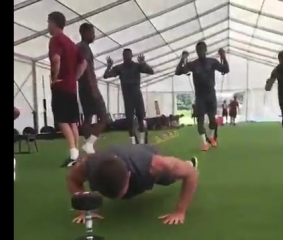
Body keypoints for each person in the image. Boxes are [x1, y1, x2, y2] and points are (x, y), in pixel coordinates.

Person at [67, 144, 199, 225]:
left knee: (169, 179)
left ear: (129, 176)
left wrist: (180, 211)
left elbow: (192, 175)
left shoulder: (155, 165)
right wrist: (84, 210)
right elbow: (73, 180)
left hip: (144, 155)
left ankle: (187, 163)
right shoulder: (88, 165)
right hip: (120, 156)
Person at [48, 12, 87, 167]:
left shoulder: (55, 40)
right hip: (71, 87)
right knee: (72, 122)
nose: (48, 26)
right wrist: (75, 77)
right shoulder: (71, 43)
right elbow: (83, 63)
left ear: (53, 23)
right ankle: (75, 154)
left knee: (62, 120)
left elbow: (56, 59)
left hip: (61, 86)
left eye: (48, 22)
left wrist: (54, 78)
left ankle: (73, 154)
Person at [175, 42, 229, 151]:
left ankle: (211, 137)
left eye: (202, 49)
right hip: (200, 96)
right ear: (196, 51)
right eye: (198, 50)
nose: (200, 52)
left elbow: (225, 69)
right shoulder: (193, 64)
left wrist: (223, 56)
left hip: (210, 94)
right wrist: (182, 59)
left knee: (213, 119)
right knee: (200, 120)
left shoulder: (212, 62)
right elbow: (178, 72)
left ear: (206, 50)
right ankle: (204, 143)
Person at [103, 49, 154, 144]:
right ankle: (133, 140)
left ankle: (143, 140)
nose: (126, 57)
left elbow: (151, 71)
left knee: (140, 117)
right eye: (125, 55)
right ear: (123, 56)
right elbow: (106, 76)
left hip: (137, 95)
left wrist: (143, 63)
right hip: (128, 97)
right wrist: (109, 66)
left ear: (131, 55)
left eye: (128, 55)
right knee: (129, 120)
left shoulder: (137, 66)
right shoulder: (120, 68)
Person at [76, 23, 107, 154]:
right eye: (92, 32)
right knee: (103, 118)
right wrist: (93, 89)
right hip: (89, 87)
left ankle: (89, 148)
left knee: (87, 118)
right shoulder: (84, 48)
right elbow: (86, 69)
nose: (94, 35)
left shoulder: (79, 47)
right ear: (84, 33)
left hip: (83, 88)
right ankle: (89, 144)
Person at [265, 50, 283, 150]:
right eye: (280, 60)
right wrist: (268, 83)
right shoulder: (277, 69)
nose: (282, 62)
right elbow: (268, 88)